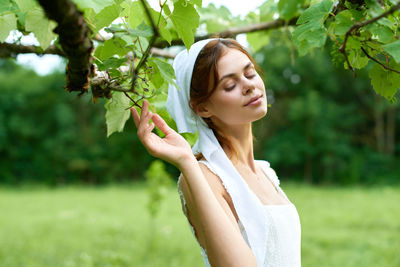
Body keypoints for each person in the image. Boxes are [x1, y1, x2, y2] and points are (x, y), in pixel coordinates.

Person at [131, 38, 301, 267]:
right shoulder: (205, 176)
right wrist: (186, 161)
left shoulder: (266, 171)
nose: (249, 85)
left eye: (250, 74)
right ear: (202, 108)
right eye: (229, 85)